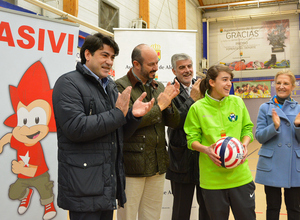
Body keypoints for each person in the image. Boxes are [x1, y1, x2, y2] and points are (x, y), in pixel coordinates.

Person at [52, 33, 154, 220]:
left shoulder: (110, 86)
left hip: (106, 185)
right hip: (83, 185)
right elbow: (76, 127)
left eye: (112, 57)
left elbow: (117, 131)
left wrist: (132, 116)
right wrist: (118, 114)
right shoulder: (68, 83)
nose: (109, 61)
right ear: (88, 55)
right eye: (104, 55)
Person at [116, 44, 180, 220]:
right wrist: (160, 106)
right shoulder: (121, 87)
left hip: (157, 163)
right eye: (151, 64)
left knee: (152, 215)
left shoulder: (157, 86)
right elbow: (127, 123)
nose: (156, 68)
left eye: (157, 63)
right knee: (127, 215)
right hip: (132, 165)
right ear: (136, 64)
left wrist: (169, 103)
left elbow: (174, 122)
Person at [184, 64, 255, 220]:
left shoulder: (237, 102)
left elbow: (247, 129)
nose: (229, 83)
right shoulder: (197, 108)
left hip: (240, 177)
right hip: (212, 181)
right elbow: (191, 140)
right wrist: (206, 150)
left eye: (230, 80)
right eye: (224, 79)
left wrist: (245, 143)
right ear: (211, 82)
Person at [166, 53, 209, 220]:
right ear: (174, 70)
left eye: (189, 66)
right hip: (180, 161)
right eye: (182, 67)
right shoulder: (169, 91)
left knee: (206, 208)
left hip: (204, 158)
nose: (187, 70)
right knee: (180, 211)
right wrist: (192, 99)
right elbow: (175, 121)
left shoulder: (205, 87)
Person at [255, 70, 300, 220]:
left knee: (294, 208)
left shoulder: (299, 109)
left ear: (292, 86)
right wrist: (273, 127)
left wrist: (298, 126)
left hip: (294, 166)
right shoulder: (265, 107)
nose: (281, 86)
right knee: (273, 207)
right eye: (278, 83)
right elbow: (259, 136)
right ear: (274, 85)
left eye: (286, 83)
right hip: (272, 164)